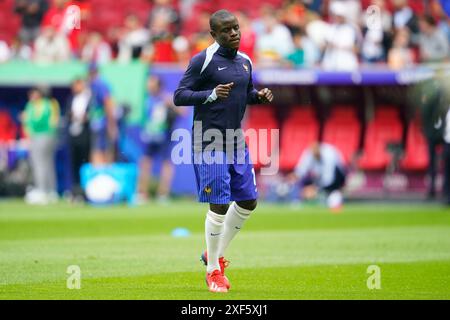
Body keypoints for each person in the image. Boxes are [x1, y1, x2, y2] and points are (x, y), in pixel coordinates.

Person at [173, 10, 273, 293]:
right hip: (208, 140)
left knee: (248, 201)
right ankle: (213, 270)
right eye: (226, 30)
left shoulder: (245, 61)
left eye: (236, 28)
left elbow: (247, 92)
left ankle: (211, 254)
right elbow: (179, 95)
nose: (234, 33)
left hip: (235, 140)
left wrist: (259, 97)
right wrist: (211, 94)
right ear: (214, 35)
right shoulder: (202, 60)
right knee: (219, 203)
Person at [137, 76, 182, 203]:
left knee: (166, 164)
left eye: (152, 83)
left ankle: (163, 194)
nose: (149, 86)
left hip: (164, 136)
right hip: (150, 136)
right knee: (145, 163)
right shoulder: (147, 100)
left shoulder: (166, 98)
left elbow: (182, 112)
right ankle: (141, 194)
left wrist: (171, 105)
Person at [22, 86, 60, 205]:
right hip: (40, 136)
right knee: (45, 163)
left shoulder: (46, 104)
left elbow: (48, 121)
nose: (32, 96)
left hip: (44, 135)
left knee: (40, 163)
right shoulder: (34, 105)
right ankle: (50, 191)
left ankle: (42, 190)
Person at [293, 142, 346, 210]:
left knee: (332, 190)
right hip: (321, 176)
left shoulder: (329, 155)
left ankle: (333, 198)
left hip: (337, 175)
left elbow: (328, 178)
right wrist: (295, 177)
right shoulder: (309, 153)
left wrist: (315, 188)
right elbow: (301, 169)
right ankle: (298, 199)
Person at [66, 78, 92, 201]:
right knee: (74, 164)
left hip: (85, 136)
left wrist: (86, 118)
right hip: (73, 135)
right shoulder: (71, 99)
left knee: (85, 163)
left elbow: (93, 115)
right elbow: (67, 115)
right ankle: (75, 191)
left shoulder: (89, 98)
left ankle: (85, 190)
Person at [87, 63, 117, 165]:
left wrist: (111, 124)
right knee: (97, 149)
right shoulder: (92, 85)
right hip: (96, 123)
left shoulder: (100, 85)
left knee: (102, 150)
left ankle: (102, 175)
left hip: (102, 123)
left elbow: (108, 103)